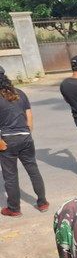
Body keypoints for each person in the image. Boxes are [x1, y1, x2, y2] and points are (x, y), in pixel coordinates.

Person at [0, 74, 48, 216]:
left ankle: (14, 209)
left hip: (7, 140)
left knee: (10, 176)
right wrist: (27, 133)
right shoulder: (19, 93)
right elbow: (29, 116)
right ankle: (42, 203)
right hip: (25, 137)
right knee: (33, 170)